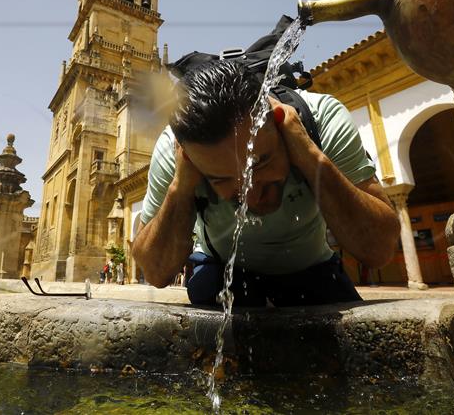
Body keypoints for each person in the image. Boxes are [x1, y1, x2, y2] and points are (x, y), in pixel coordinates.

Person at [132, 58, 400, 307]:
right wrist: (181, 185)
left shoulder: (320, 118)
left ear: (279, 123)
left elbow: (379, 250)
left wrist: (309, 154)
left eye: (259, 164)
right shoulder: (173, 151)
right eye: (221, 179)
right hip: (220, 270)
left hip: (314, 270)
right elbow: (156, 272)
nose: (251, 196)